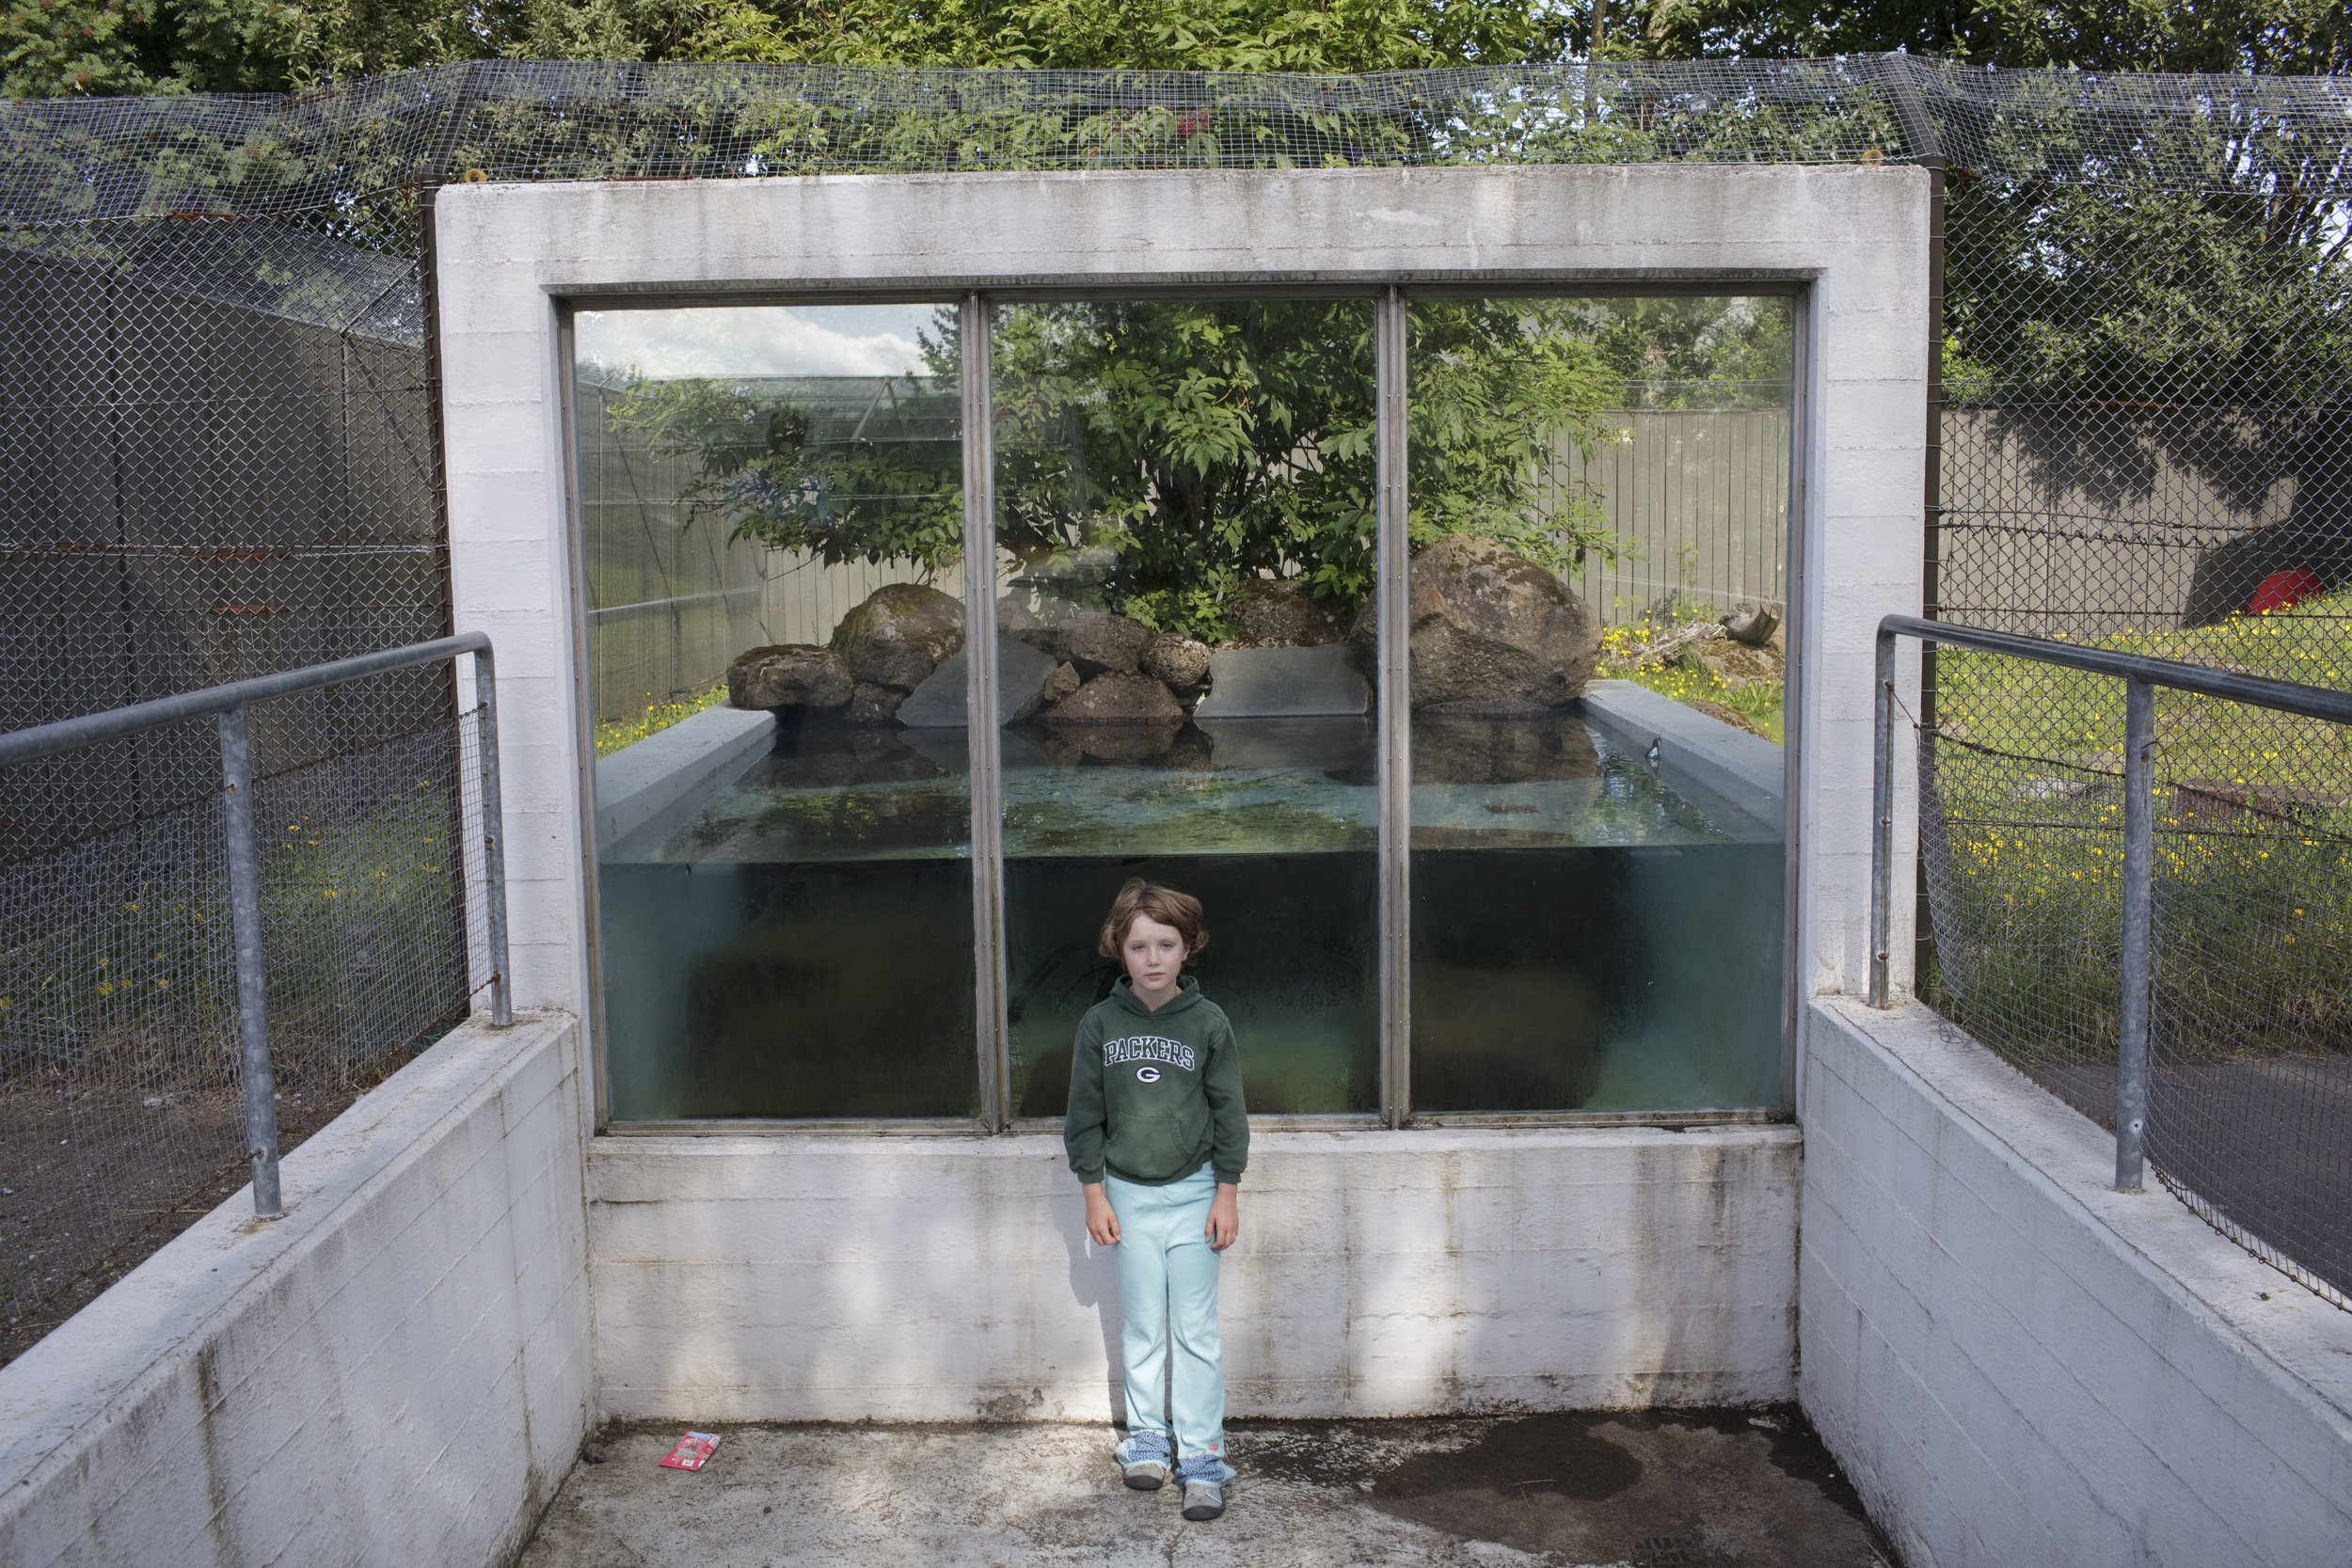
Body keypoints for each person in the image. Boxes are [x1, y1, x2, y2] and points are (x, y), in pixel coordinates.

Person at [1064, 878, 1248, 1523]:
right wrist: (1093, 1191)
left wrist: (1226, 1192)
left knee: (1194, 1330)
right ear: (1118, 948)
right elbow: (1083, 1116)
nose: (1152, 958)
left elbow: (1231, 1114)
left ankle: (1201, 1456)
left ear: (1188, 947)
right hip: (1128, 1196)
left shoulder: (1207, 1022)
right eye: (1139, 945)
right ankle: (1146, 1437)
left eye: (1165, 943)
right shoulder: (1099, 1024)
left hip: (1197, 1192)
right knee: (1143, 1323)